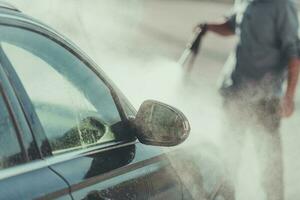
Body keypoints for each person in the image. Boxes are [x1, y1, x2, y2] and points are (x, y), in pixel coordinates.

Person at [197, 0, 300, 199]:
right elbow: (231, 25)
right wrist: (207, 26)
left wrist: (289, 96)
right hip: (234, 93)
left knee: (269, 165)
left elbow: (294, 54)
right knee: (228, 158)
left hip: (265, 100)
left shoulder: (282, 6)